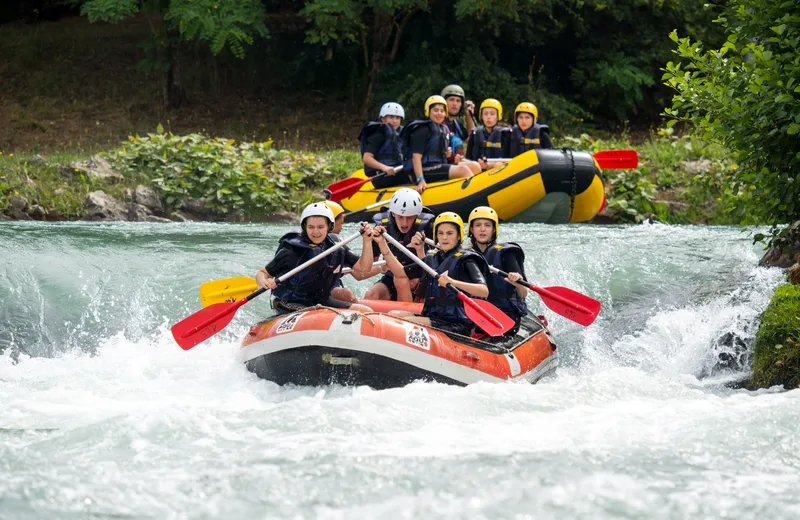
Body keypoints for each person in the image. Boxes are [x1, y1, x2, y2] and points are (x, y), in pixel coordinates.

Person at [256, 202, 375, 313]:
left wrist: (367, 241)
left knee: (366, 311)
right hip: (289, 303)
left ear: (329, 226)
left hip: (321, 301)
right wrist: (264, 281)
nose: (316, 232)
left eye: (320, 227)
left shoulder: (337, 248)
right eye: (311, 227)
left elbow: (364, 268)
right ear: (305, 227)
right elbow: (262, 273)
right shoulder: (292, 251)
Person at [388, 211, 489, 336]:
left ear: (459, 236)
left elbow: (484, 291)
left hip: (456, 324)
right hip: (434, 317)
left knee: (404, 323)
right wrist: (382, 243)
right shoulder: (432, 258)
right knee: (393, 315)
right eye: (440, 233)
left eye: (449, 233)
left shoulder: (467, 260)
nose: (444, 238)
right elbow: (400, 273)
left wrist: (452, 282)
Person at [364, 188, 435, 302]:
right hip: (391, 276)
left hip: (418, 278)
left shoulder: (428, 228)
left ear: (416, 215)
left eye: (409, 217)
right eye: (400, 217)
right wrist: (367, 242)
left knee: (406, 282)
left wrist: (420, 249)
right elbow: (366, 269)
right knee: (371, 295)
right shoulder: (382, 228)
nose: (404, 223)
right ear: (393, 213)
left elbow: (435, 268)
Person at [466, 206, 528, 334]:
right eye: (478, 225)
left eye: (487, 225)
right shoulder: (466, 256)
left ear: (494, 229)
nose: (482, 229)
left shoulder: (506, 254)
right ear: (471, 229)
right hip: (477, 314)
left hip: (505, 314)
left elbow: (523, 293)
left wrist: (517, 283)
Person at [401, 95, 481, 193]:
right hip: (423, 169)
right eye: (435, 110)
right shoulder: (423, 129)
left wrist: (447, 154)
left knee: (475, 166)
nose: (439, 113)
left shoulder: (443, 129)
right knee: (463, 170)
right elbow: (416, 157)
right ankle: (474, 195)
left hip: (437, 165)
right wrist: (420, 180)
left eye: (442, 111)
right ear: (428, 111)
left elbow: (440, 156)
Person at [359, 102, 408, 188]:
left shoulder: (400, 135)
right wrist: (384, 168)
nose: (395, 121)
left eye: (397, 118)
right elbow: (366, 158)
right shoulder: (379, 135)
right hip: (381, 175)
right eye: (391, 117)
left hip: (397, 171)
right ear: (383, 119)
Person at [322, 200, 358, 303]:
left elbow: (358, 273)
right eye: (341, 223)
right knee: (346, 294)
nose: (342, 227)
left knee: (346, 293)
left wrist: (382, 267)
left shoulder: (337, 244)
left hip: (331, 288)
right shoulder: (302, 243)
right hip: (311, 292)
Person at [466, 98, 511, 170]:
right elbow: (468, 158)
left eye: (492, 114)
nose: (488, 117)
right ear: (482, 116)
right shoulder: (475, 133)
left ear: (498, 116)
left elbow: (509, 159)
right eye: (485, 114)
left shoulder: (506, 134)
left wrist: (491, 165)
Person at [440, 84, 477, 161]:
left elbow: (471, 140)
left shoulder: (457, 123)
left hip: (456, 164)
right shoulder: (437, 122)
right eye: (451, 99)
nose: (455, 104)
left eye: (458, 101)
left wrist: (468, 115)